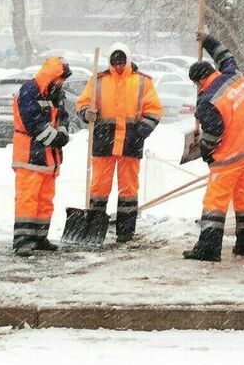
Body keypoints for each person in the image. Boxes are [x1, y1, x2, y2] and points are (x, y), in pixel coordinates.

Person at [183, 32, 244, 262]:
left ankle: (208, 249)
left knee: (214, 203)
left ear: (198, 82)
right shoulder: (233, 75)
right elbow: (224, 55)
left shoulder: (207, 101)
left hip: (228, 159)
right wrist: (207, 40)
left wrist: (205, 151)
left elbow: (214, 132)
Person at [76, 43, 162, 243]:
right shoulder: (98, 81)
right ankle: (95, 229)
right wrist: (86, 112)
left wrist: (142, 131)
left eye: (121, 62)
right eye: (115, 63)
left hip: (131, 141)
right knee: (98, 187)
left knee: (128, 189)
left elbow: (154, 110)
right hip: (104, 141)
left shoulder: (143, 82)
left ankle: (125, 232)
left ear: (128, 60)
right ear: (110, 62)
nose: (118, 66)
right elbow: (83, 103)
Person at [12, 56, 72, 257]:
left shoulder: (56, 93)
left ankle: (39, 237)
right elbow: (33, 122)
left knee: (45, 199)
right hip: (29, 156)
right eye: (61, 79)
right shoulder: (29, 91)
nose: (62, 83)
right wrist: (56, 137)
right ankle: (22, 240)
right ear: (53, 77)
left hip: (48, 158)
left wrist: (62, 132)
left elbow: (63, 117)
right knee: (27, 199)